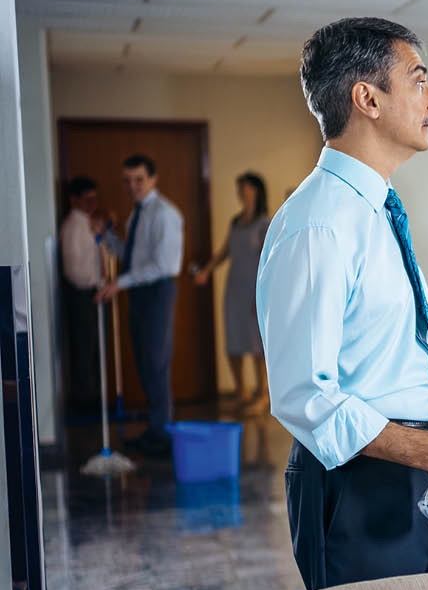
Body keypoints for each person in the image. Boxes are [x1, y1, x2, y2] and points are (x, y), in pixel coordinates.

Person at [256, 17, 428, 590]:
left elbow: (367, 353)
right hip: (361, 484)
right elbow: (305, 395)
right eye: (419, 81)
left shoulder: (376, 208)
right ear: (367, 98)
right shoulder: (319, 224)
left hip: (414, 471)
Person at [97, 154, 184, 457]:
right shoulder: (137, 214)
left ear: (153, 179)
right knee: (145, 363)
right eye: (128, 180)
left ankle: (161, 436)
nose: (132, 186)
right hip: (139, 290)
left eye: (138, 180)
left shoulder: (165, 214)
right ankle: (155, 430)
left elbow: (163, 265)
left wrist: (119, 284)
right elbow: (131, 256)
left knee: (156, 363)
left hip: (157, 291)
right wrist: (107, 235)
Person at [194, 172, 271, 414]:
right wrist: (206, 270)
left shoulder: (264, 224)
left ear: (256, 191)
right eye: (239, 188)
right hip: (234, 289)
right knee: (234, 342)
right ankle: (242, 391)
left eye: (245, 188)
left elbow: (268, 260)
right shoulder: (236, 222)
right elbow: (224, 251)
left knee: (257, 345)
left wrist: (263, 295)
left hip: (254, 290)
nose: (241, 193)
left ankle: (263, 395)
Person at [60, 177, 104, 410]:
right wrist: (91, 284)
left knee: (94, 347)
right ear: (73, 199)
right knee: (84, 348)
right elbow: (73, 268)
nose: (93, 204)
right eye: (87, 199)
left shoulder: (88, 223)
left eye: (95, 199)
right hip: (82, 293)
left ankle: (94, 396)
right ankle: (85, 400)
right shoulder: (73, 226)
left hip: (94, 291)